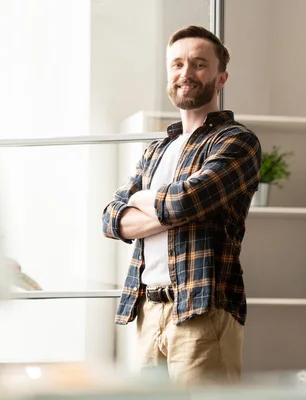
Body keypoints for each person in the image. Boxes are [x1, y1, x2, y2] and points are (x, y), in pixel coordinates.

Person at [102, 25, 261, 385]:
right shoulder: (157, 150)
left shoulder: (236, 141)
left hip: (202, 310)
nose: (185, 73)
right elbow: (111, 218)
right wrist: (169, 208)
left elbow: (185, 203)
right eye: (177, 64)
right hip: (147, 309)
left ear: (221, 78)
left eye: (198, 64)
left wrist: (143, 200)